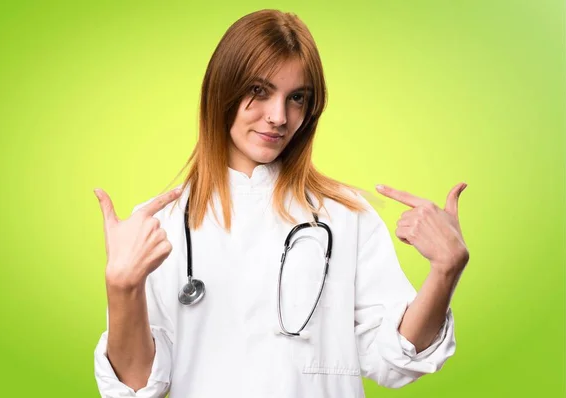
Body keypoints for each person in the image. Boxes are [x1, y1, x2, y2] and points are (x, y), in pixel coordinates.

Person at [93, 9, 469, 398]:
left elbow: (394, 360)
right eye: (259, 90)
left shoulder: (345, 215)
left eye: (296, 98)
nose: (278, 117)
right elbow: (137, 388)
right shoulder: (161, 226)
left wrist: (444, 273)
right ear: (222, 90)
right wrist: (122, 287)